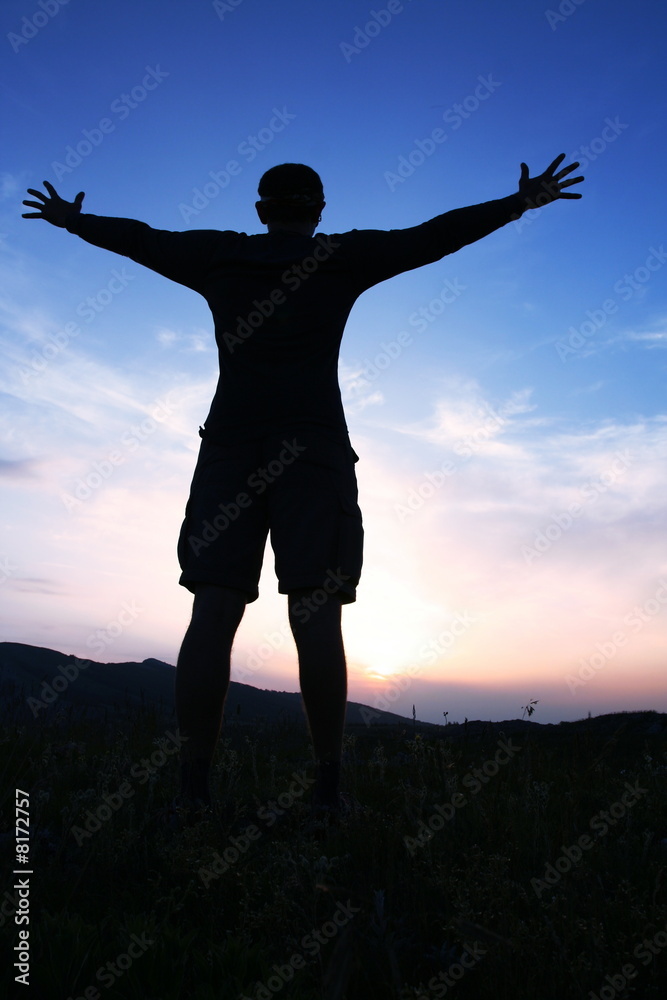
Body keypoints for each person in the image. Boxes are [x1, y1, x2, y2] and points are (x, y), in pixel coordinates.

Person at [22, 155, 583, 828]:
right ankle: (325, 793)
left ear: (261, 210)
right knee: (315, 613)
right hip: (313, 452)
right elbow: (434, 236)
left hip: (230, 450)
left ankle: (193, 796)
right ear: (317, 209)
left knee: (212, 611)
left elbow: (140, 238)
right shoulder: (340, 259)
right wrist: (516, 203)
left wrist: (73, 222)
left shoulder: (218, 259)